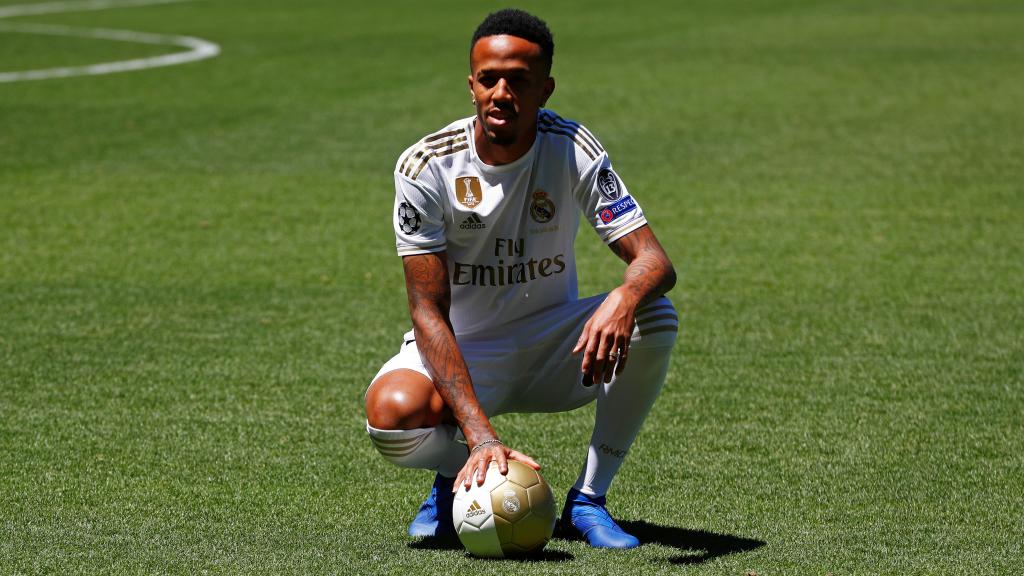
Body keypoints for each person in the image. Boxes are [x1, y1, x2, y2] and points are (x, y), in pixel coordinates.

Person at [364, 8, 677, 549]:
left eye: (519, 80)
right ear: (471, 85)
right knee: (390, 415)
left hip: (555, 346)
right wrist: (481, 437)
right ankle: (456, 477)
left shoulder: (573, 148)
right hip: (467, 352)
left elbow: (654, 260)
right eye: (488, 79)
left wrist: (625, 294)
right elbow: (427, 311)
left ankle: (589, 500)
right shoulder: (427, 166)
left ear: (546, 89)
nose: (501, 93)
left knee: (655, 313)